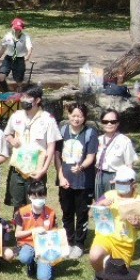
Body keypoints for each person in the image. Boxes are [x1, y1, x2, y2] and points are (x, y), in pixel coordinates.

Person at [3, 85, 60, 211]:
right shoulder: (16, 115)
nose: (24, 100)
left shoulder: (47, 119)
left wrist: (43, 170)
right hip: (18, 168)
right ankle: (18, 229)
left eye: (28, 97)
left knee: (35, 204)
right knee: (17, 205)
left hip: (36, 170)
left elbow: (51, 147)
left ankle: (34, 230)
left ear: (37, 100)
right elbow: (7, 133)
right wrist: (12, 140)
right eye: (22, 96)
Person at [89, 166, 140, 280]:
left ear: (133, 184)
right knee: (95, 256)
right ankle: (100, 276)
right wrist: (100, 205)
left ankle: (113, 268)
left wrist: (137, 224)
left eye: (123, 183)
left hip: (125, 243)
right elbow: (90, 213)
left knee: (119, 276)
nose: (119, 185)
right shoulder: (109, 195)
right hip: (105, 236)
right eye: (117, 183)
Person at [56, 103, 98, 258]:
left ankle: (79, 243)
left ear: (84, 117)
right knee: (67, 213)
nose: (76, 119)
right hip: (65, 180)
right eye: (73, 115)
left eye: (80, 116)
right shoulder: (62, 131)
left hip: (83, 181)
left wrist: (81, 167)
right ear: (68, 115)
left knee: (82, 214)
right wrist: (60, 176)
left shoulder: (90, 133)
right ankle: (69, 241)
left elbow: (91, 156)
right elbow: (57, 156)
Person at [13, 181, 58, 280]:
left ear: (45, 196)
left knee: (44, 278)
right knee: (24, 257)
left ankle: (48, 264)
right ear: (29, 196)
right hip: (28, 244)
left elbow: (56, 234)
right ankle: (31, 263)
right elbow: (17, 234)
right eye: (34, 197)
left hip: (45, 246)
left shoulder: (51, 213)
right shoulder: (22, 212)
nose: (38, 200)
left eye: (41, 197)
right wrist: (33, 231)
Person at [93, 110, 138, 200]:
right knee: (100, 205)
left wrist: (126, 181)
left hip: (117, 177)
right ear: (101, 123)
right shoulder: (98, 140)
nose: (109, 124)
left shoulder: (124, 141)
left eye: (113, 122)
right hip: (99, 175)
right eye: (105, 122)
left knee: (116, 206)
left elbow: (129, 165)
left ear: (118, 123)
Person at [0, 17, 33, 91]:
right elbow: (3, 48)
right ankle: (7, 90)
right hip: (8, 58)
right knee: (1, 77)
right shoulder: (8, 36)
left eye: (18, 29)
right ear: (12, 27)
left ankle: (19, 93)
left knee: (18, 80)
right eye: (15, 28)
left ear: (22, 29)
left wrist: (28, 56)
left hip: (19, 59)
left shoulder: (25, 37)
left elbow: (30, 48)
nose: (17, 30)